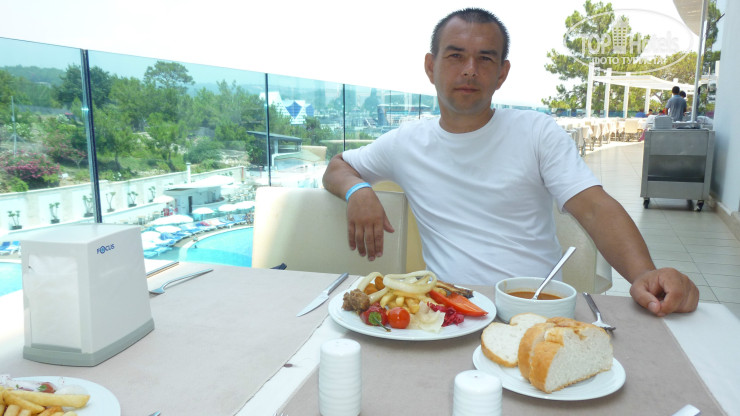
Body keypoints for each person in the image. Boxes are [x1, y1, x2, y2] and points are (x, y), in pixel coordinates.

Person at [322, 8, 698, 317]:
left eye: (485, 58)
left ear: (502, 73)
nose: (470, 69)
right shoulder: (406, 142)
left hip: (535, 307)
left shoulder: (536, 132)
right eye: (455, 56)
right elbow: (337, 166)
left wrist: (645, 274)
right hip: (450, 312)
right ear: (430, 66)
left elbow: (595, 208)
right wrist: (358, 191)